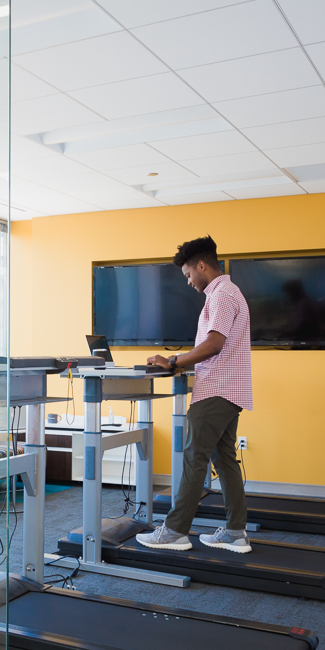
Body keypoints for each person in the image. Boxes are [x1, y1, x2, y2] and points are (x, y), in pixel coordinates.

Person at [136, 236, 254, 553]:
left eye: (189, 274)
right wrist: (181, 363)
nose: (188, 281)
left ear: (202, 265)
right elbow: (215, 345)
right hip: (228, 389)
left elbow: (214, 344)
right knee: (224, 459)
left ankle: (175, 531)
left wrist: (173, 361)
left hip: (217, 389)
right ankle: (235, 532)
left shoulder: (222, 294)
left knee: (193, 458)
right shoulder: (226, 293)